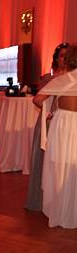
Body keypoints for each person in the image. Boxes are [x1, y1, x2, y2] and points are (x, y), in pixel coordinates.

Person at [25, 42, 69, 211]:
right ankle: (42, 200)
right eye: (61, 56)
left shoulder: (72, 77)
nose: (64, 59)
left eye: (67, 56)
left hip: (65, 126)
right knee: (43, 162)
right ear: (56, 59)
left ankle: (60, 200)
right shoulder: (49, 78)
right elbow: (37, 100)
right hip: (48, 123)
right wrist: (48, 113)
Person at [39, 44, 77, 228]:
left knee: (61, 168)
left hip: (63, 125)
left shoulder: (62, 80)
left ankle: (61, 212)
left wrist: (50, 110)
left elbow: (37, 100)